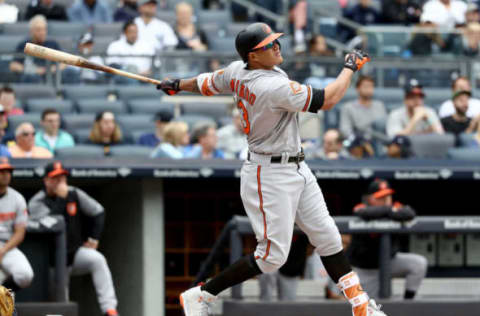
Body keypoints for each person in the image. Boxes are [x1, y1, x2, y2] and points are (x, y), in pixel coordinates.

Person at [156, 22, 386, 316]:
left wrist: (178, 84)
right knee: (271, 257)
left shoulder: (238, 71)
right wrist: (349, 68)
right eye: (268, 45)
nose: (276, 46)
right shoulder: (269, 86)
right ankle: (202, 294)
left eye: (275, 41)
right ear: (253, 56)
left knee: (327, 235)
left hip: (296, 165)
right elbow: (328, 99)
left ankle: (361, 305)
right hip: (269, 174)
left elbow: (207, 82)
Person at [28, 161, 120, 316]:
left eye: (62, 177)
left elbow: (98, 212)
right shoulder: (37, 202)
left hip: (74, 254)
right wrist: (62, 200)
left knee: (97, 259)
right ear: (46, 181)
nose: (60, 182)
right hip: (51, 263)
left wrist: (94, 238)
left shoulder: (74, 193)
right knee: (58, 305)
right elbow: (53, 224)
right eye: (55, 178)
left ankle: (109, 309)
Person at [346, 179, 428, 299]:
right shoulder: (362, 207)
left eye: (387, 196)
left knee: (418, 264)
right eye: (380, 197)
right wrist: (389, 211)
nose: (386, 200)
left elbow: (409, 213)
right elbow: (363, 212)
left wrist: (387, 210)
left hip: (388, 262)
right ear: (370, 199)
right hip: (365, 269)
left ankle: (408, 301)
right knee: (372, 306)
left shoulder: (394, 207)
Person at [0, 158, 34, 293]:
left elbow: (20, 233)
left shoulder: (17, 198)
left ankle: (3, 293)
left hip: (7, 246)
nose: (5, 175)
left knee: (25, 275)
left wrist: (3, 250)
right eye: (2, 171)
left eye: (8, 171)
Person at [9, 15, 62, 83]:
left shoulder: (53, 44)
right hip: (32, 78)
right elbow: (13, 65)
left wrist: (51, 69)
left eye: (44, 29)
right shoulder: (24, 45)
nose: (42, 33)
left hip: (51, 76)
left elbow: (64, 63)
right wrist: (34, 70)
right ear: (31, 31)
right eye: (38, 30)